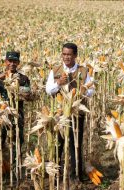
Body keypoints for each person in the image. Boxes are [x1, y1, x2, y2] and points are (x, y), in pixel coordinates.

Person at [46, 42, 93, 181]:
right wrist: (58, 83)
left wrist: (83, 91)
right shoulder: (55, 70)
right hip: (59, 114)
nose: (66, 57)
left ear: (75, 55)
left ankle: (76, 175)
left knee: (75, 144)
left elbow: (91, 91)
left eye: (69, 54)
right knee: (58, 144)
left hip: (76, 112)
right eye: (64, 54)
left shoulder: (83, 71)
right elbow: (48, 91)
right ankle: (55, 174)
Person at [0, 51, 30, 148]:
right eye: (9, 61)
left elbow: (28, 95)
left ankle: (15, 161)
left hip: (16, 114)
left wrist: (18, 91)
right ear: (5, 61)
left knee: (17, 141)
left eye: (15, 61)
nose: (12, 64)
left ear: (18, 62)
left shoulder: (23, 78)